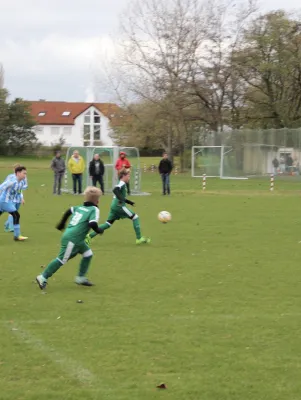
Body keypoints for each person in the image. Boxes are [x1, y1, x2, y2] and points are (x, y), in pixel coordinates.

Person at [36, 186, 104, 290]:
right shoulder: (94, 209)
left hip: (75, 238)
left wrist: (62, 223)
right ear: (97, 201)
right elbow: (93, 223)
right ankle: (43, 277)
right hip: (73, 239)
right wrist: (99, 230)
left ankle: (81, 277)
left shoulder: (80, 207)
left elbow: (69, 210)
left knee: (88, 254)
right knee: (62, 259)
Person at [86, 169, 150, 245]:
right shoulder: (122, 183)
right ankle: (139, 239)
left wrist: (129, 202)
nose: (129, 177)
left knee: (108, 224)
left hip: (114, 205)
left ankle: (89, 236)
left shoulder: (122, 183)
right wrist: (122, 199)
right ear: (123, 176)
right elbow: (115, 190)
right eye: (128, 176)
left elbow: (119, 195)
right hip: (119, 206)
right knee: (135, 217)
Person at [0, 165, 28, 241]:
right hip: (4, 201)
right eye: (24, 173)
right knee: (16, 215)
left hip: (8, 202)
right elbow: (1, 187)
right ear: (18, 173)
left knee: (15, 215)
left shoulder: (21, 182)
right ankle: (17, 236)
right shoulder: (12, 181)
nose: (25, 175)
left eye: (26, 173)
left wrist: (21, 198)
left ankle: (17, 236)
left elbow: (18, 192)